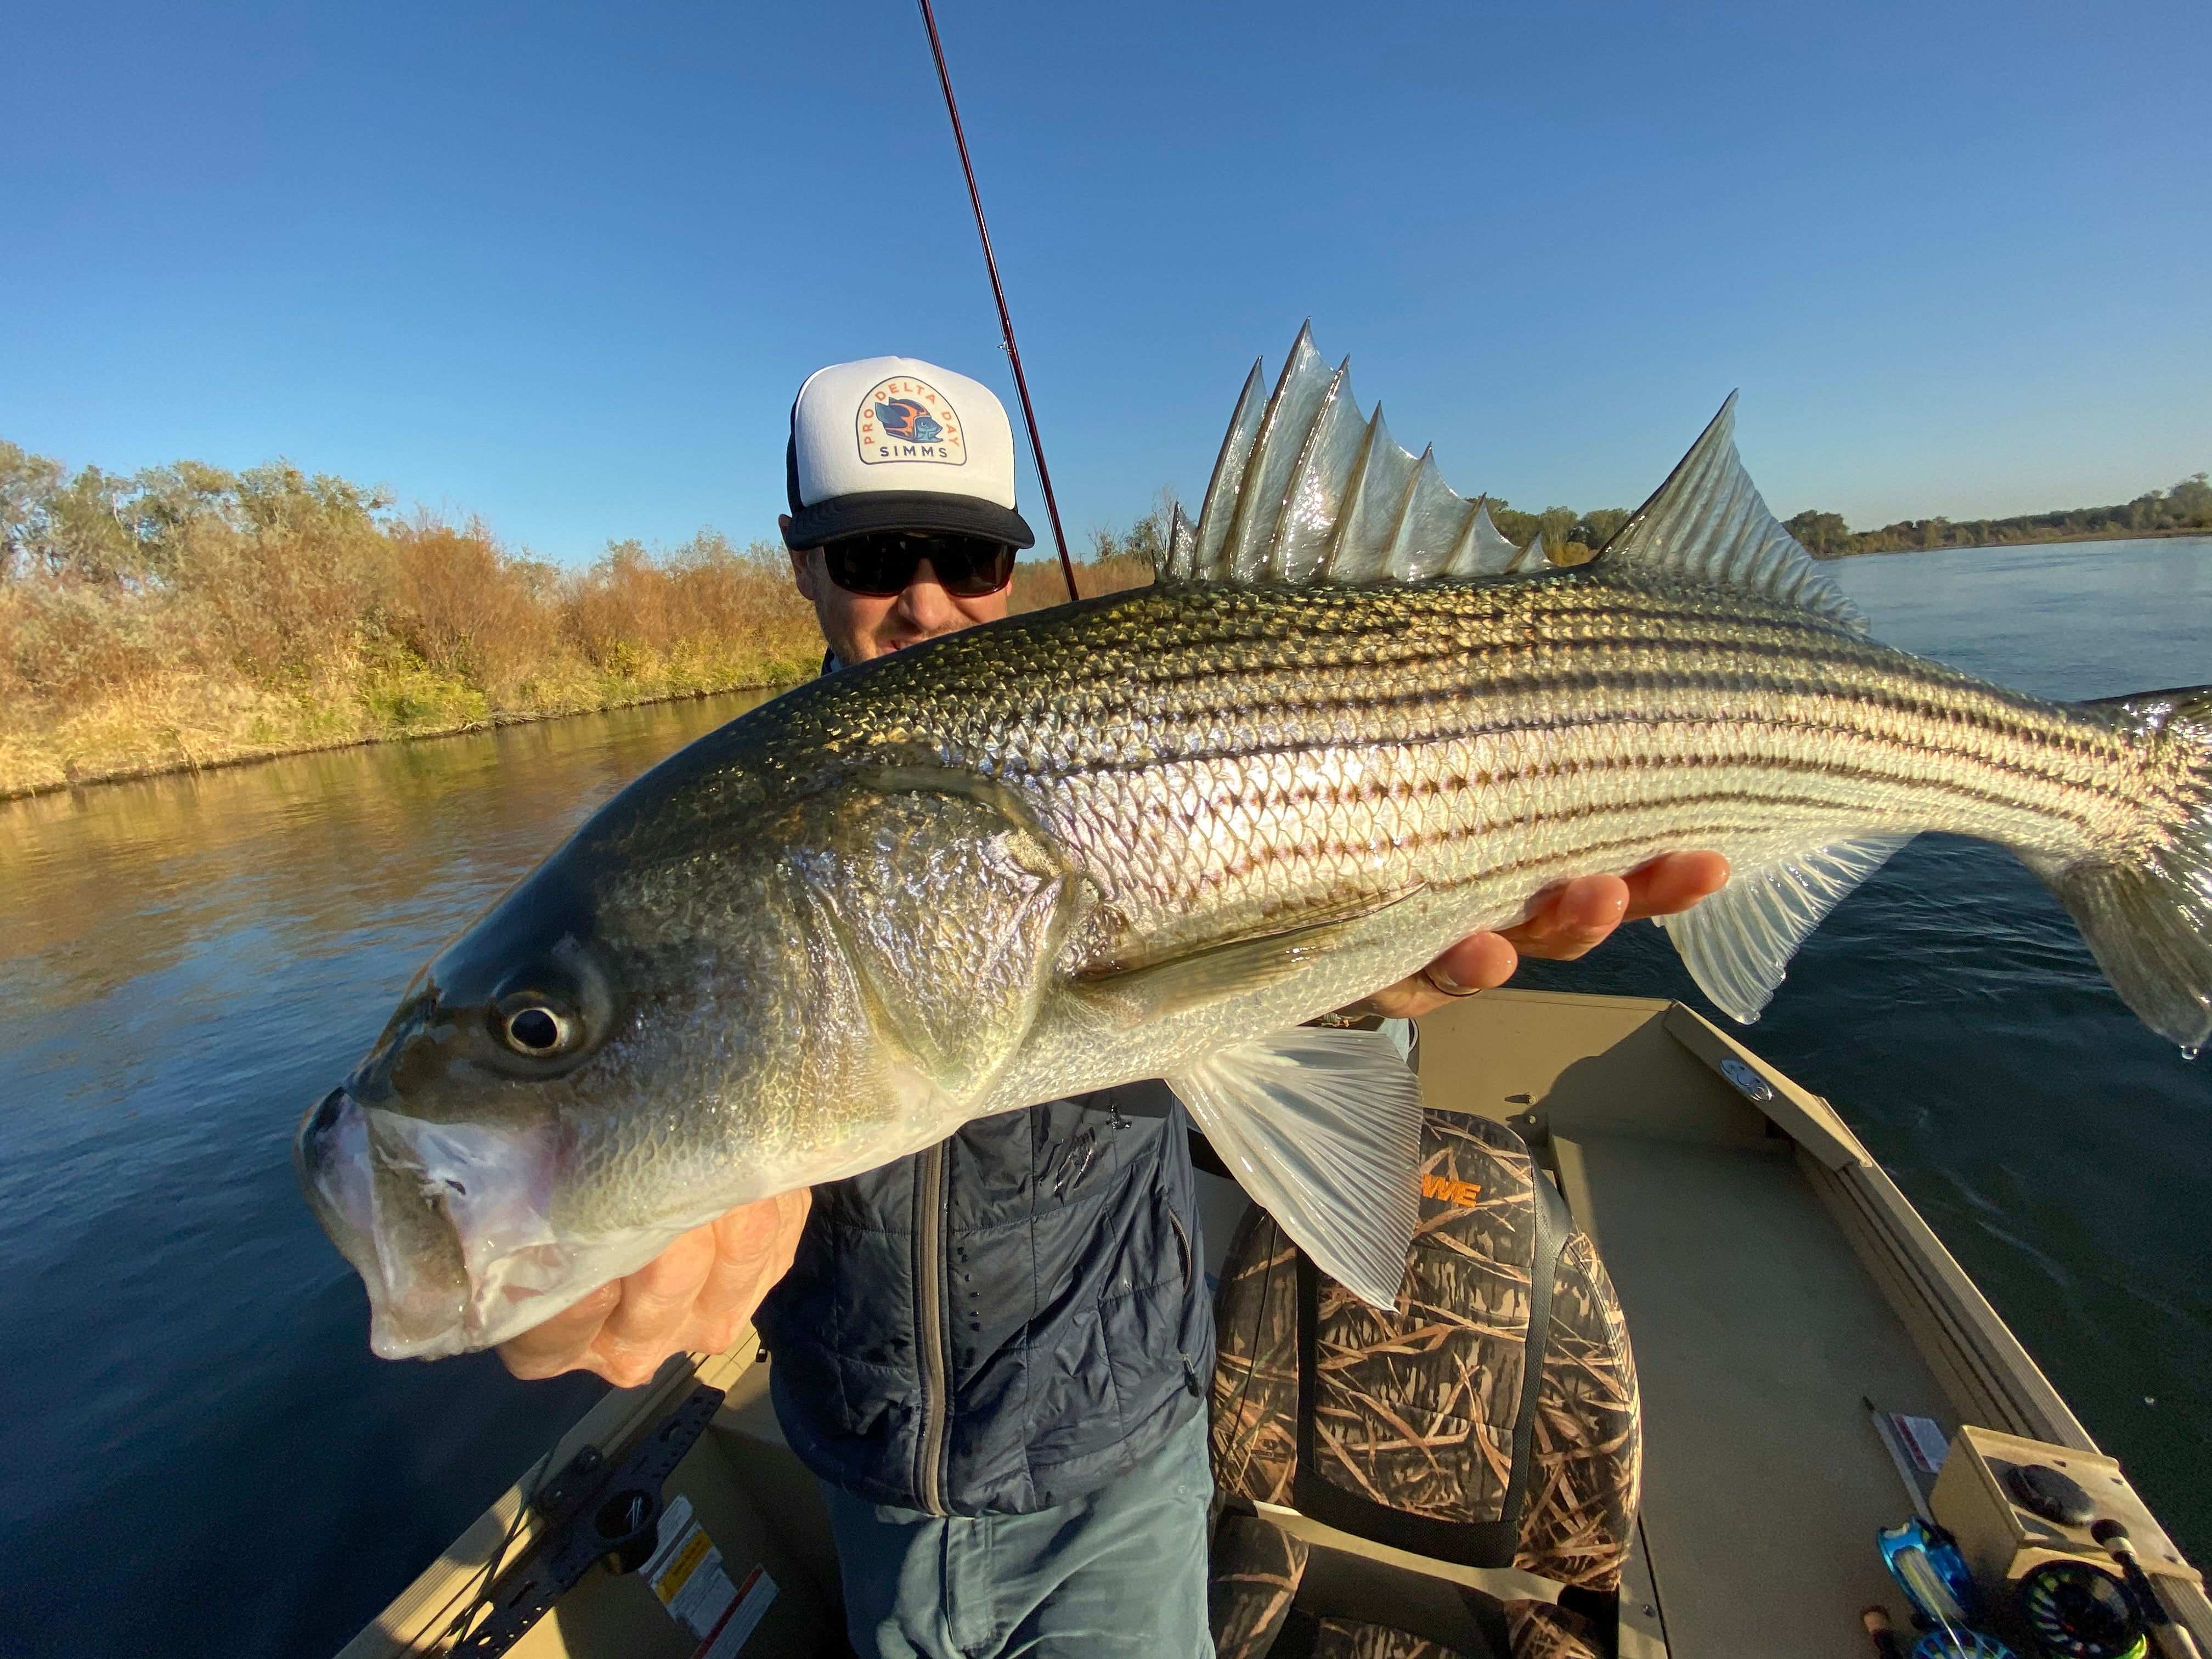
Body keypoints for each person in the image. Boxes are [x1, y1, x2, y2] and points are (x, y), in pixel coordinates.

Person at [499, 355, 1729, 1658]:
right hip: (871, 1475)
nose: (922, 601)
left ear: (1014, 565)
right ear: (800, 563)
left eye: (967, 557)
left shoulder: (1094, 726)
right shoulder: (722, 843)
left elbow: (1281, 1005)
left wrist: (1351, 998)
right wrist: (585, 1248)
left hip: (1118, 1462)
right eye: (870, 556)